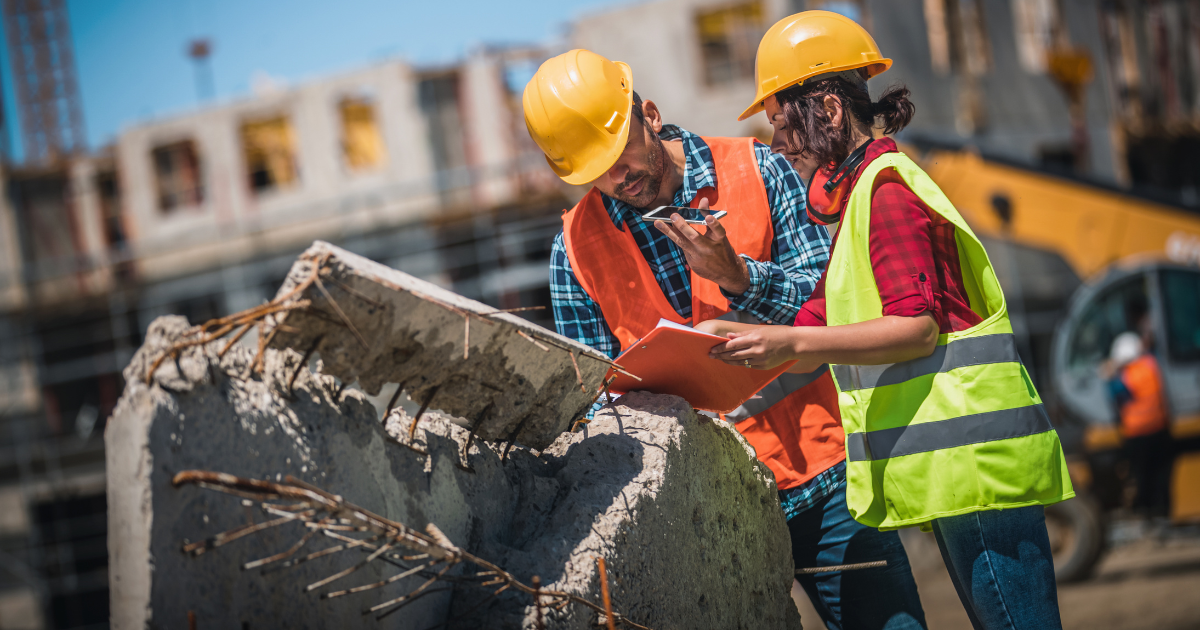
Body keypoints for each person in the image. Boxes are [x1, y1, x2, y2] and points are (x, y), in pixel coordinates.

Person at [524, 49, 927, 629]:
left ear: (652, 116)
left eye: (619, 152)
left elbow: (835, 303)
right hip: (702, 512)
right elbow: (593, 404)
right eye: (595, 169)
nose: (617, 176)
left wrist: (739, 278)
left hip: (824, 479)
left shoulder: (759, 168)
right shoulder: (575, 249)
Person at [701, 11, 1075, 630]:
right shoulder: (859, 200)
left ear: (825, 109)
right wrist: (725, 335)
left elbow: (916, 328)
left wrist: (788, 338)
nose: (779, 142)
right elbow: (818, 320)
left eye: (782, 120)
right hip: (962, 473)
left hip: (979, 468)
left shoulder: (887, 193)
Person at [1105, 331, 1173, 519]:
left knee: (1143, 477)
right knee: (1161, 476)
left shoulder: (1126, 375)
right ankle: (1163, 513)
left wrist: (1110, 375)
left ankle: (1148, 514)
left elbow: (1117, 395)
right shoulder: (1151, 364)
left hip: (1137, 434)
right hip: (1160, 428)